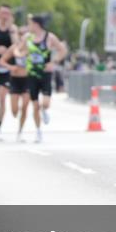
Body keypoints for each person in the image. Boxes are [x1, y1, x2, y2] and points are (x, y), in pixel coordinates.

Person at [24, 14, 67, 143]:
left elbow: (62, 50)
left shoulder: (49, 37)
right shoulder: (27, 37)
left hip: (45, 74)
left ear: (36, 24)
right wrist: (20, 54)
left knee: (46, 103)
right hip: (32, 74)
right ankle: (38, 131)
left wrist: (53, 62)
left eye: (30, 24)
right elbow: (18, 49)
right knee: (35, 105)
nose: (29, 26)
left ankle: (44, 110)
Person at [0, 4, 18, 140]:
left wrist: (12, 31)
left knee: (2, 98)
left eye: (7, 13)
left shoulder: (13, 29)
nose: (5, 15)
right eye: (3, 13)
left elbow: (18, 47)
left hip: (6, 67)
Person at [0, 28, 30, 142]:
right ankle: (16, 116)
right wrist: (11, 67)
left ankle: (20, 131)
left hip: (27, 79)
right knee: (14, 110)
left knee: (25, 106)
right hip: (15, 79)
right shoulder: (14, 48)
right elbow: (1, 61)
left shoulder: (32, 49)